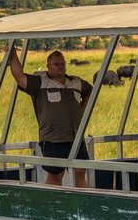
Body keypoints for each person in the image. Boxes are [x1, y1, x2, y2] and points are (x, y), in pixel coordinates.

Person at [7, 45, 92, 187]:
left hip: (77, 137)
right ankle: (54, 207)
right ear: (48, 66)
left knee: (80, 173)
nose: (61, 67)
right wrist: (13, 55)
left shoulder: (76, 82)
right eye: (56, 64)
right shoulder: (39, 82)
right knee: (55, 177)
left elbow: (90, 91)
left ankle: (81, 206)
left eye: (63, 63)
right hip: (53, 139)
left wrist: (83, 113)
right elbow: (19, 76)